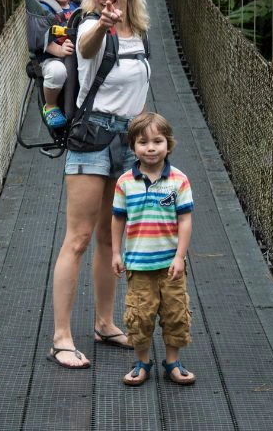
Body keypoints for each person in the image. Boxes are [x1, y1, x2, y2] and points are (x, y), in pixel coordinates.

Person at [47, 0, 151, 369]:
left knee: (111, 238)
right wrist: (103, 24)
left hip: (127, 141)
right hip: (92, 138)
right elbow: (86, 49)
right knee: (78, 238)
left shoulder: (142, 31)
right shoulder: (91, 25)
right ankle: (60, 338)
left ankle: (105, 323)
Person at [111, 112, 196, 386]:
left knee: (175, 314)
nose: (150, 148)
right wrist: (116, 252)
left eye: (157, 141)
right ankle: (142, 361)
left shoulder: (178, 180)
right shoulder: (125, 182)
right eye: (142, 142)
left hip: (170, 265)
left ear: (168, 145)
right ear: (133, 146)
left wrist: (180, 256)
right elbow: (118, 218)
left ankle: (172, 361)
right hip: (138, 264)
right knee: (140, 315)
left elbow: (185, 219)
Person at [36, 0, 80, 129]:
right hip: (51, 57)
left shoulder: (78, 7)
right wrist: (59, 51)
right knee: (57, 71)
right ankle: (51, 106)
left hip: (76, 56)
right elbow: (39, 38)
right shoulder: (42, 9)